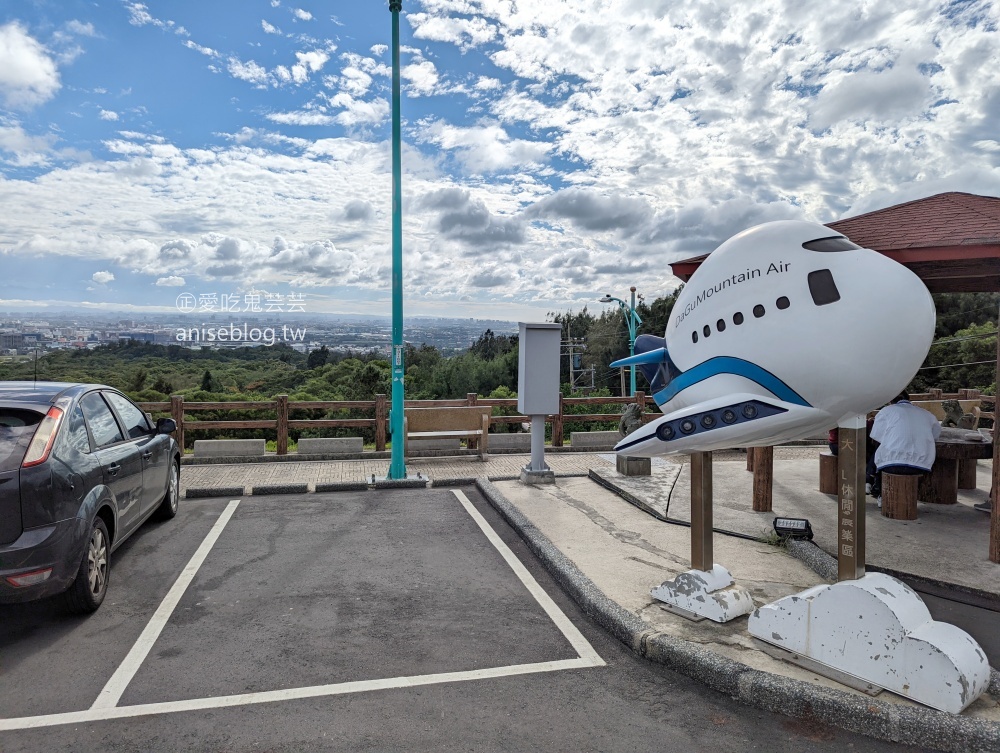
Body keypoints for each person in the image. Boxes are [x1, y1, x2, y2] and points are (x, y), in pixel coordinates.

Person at [868, 391, 941, 507]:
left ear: (890, 401)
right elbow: (935, 435)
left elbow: (876, 435)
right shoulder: (927, 414)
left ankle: (880, 492)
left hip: (891, 465)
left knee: (882, 453)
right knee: (886, 454)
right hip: (922, 465)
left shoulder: (886, 411)